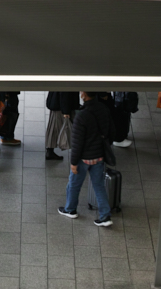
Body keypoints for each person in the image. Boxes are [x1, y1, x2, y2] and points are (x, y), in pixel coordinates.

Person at [57, 91, 113, 227]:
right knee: (99, 186)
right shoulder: (103, 109)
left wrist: (73, 162)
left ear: (83, 95)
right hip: (99, 156)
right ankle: (105, 216)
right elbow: (111, 131)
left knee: (74, 184)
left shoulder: (81, 115)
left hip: (84, 158)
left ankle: (70, 209)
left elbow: (77, 143)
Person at [45, 91, 80, 161]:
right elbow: (65, 94)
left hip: (56, 104)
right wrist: (66, 111)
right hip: (61, 107)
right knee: (57, 128)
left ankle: (50, 150)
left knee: (53, 128)